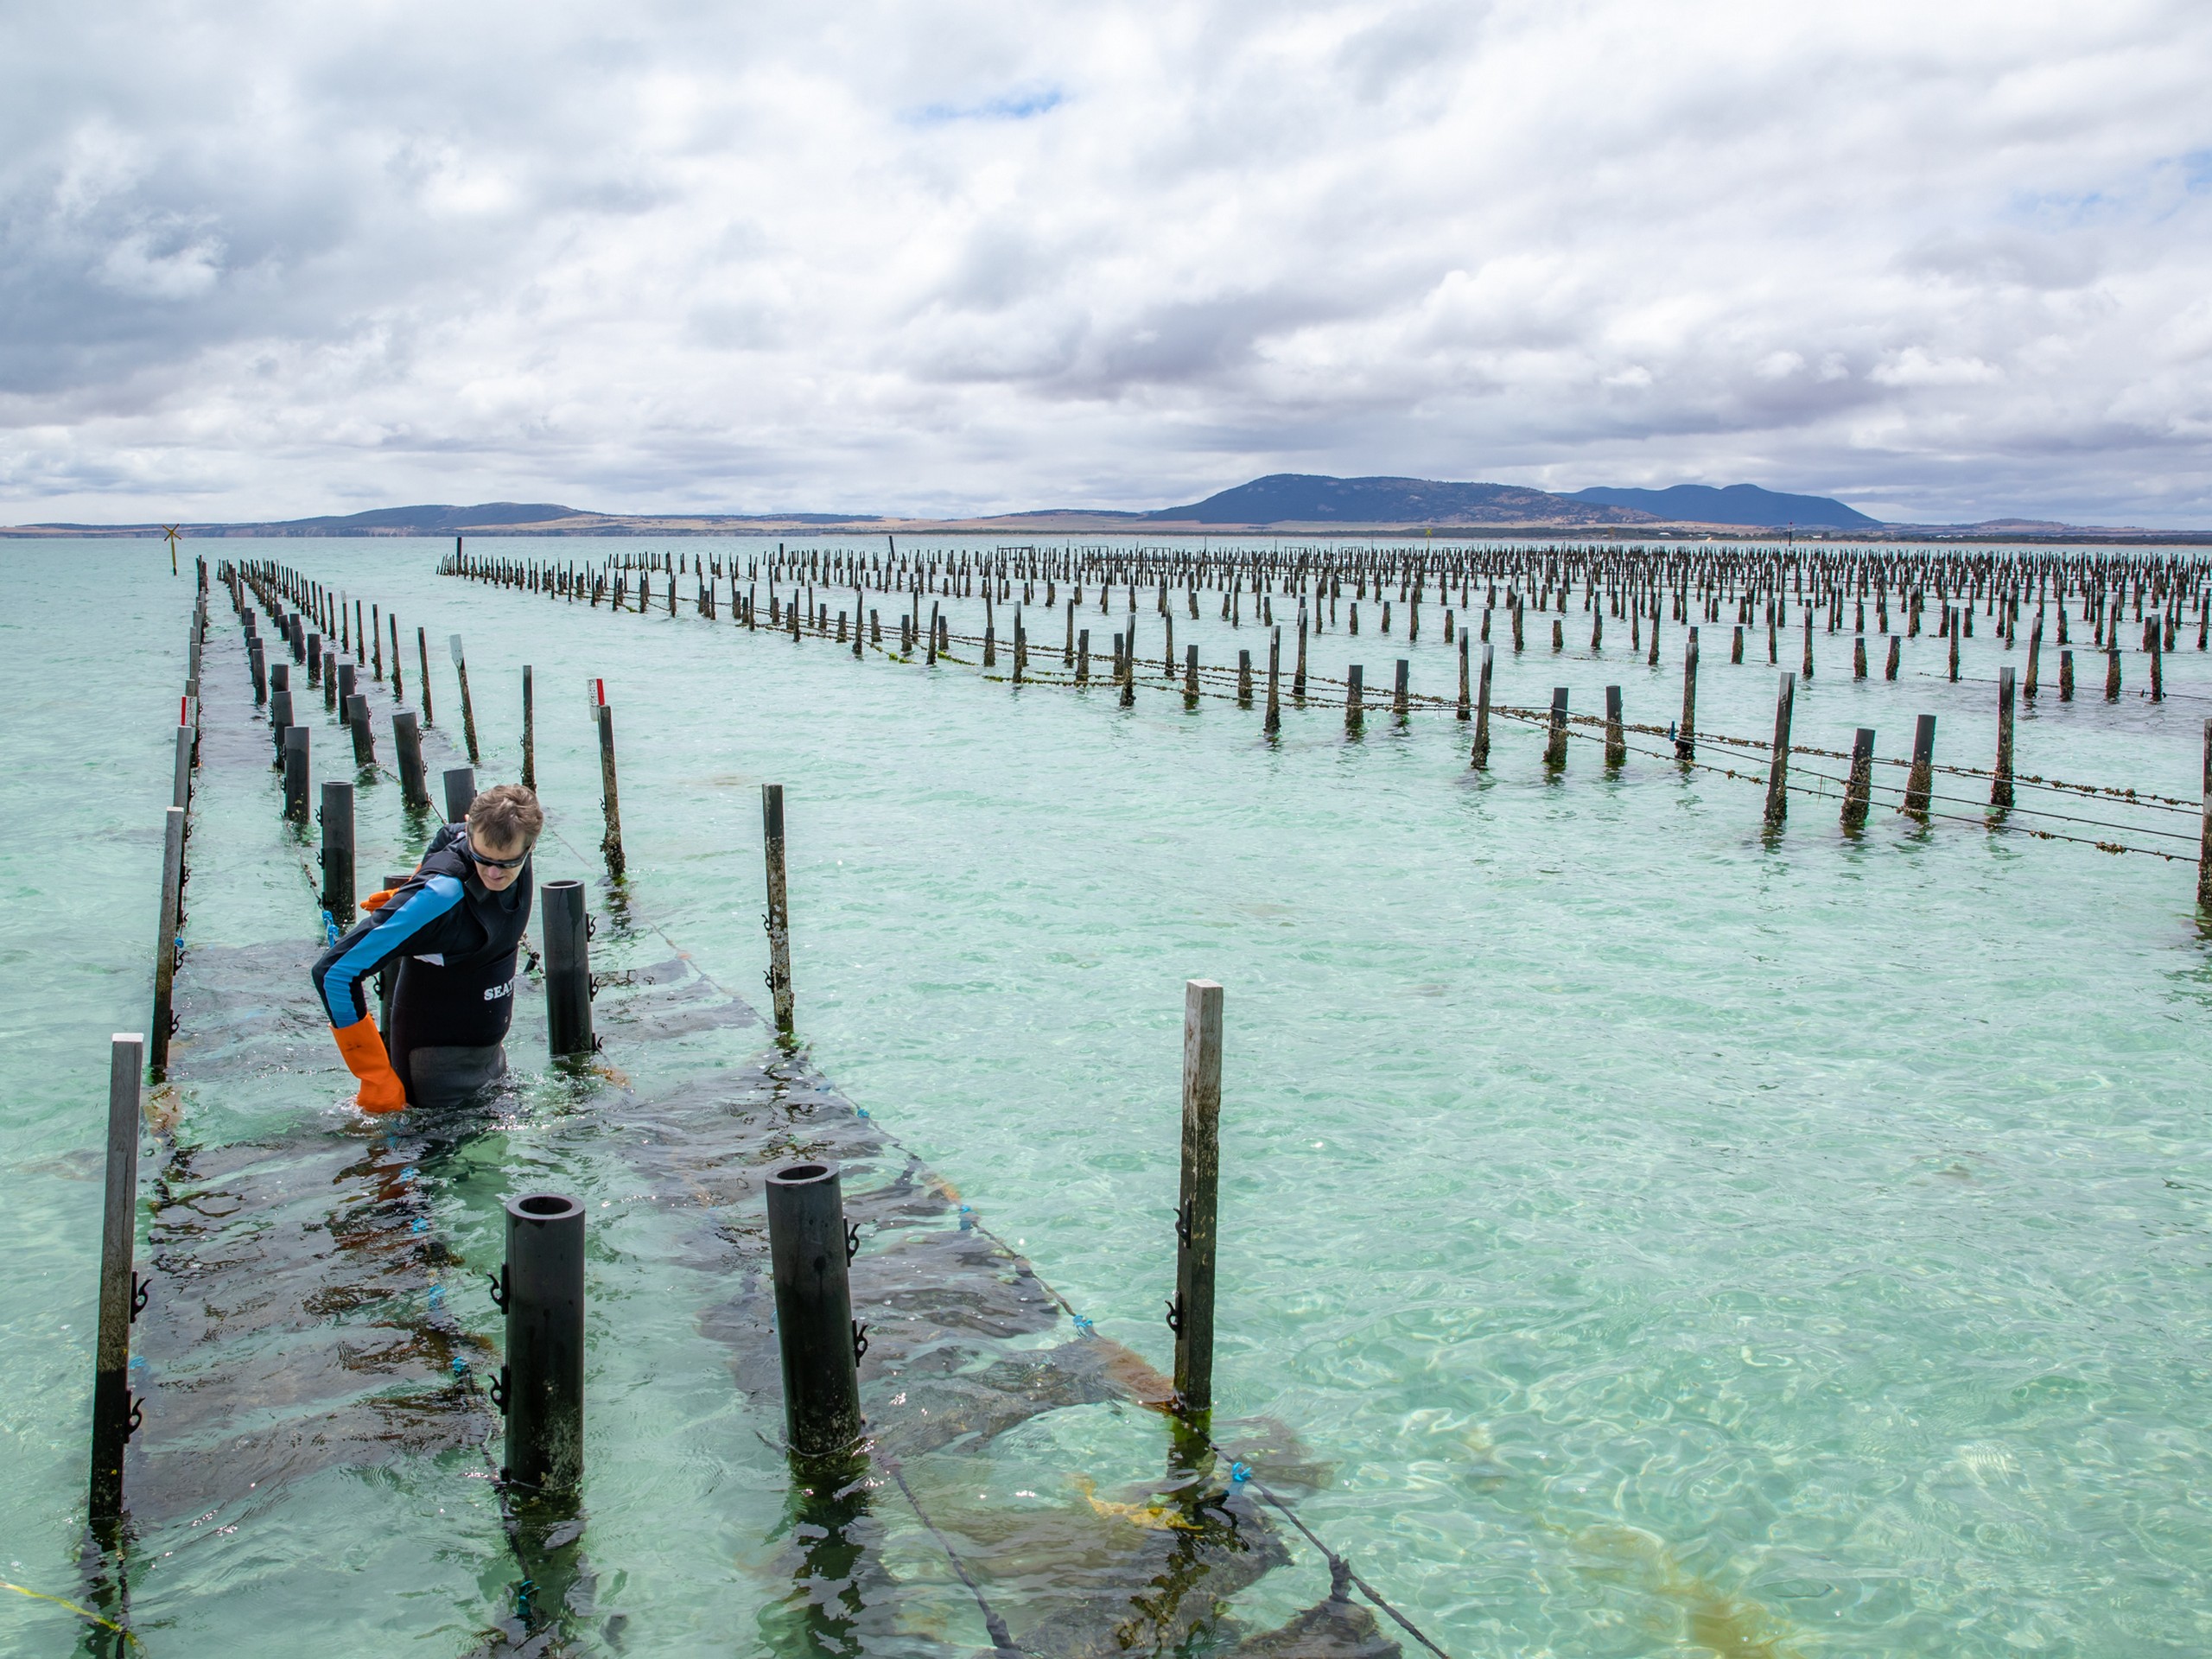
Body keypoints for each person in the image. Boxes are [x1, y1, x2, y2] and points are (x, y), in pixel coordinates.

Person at [313, 784, 541, 1112]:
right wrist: (374, 1075)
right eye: (482, 858)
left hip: (491, 1062)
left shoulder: (511, 844)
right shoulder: (441, 895)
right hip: (435, 1080)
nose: (493, 872)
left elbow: (448, 833)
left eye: (506, 864)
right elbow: (332, 973)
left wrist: (415, 877)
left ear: (530, 846)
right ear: (470, 829)